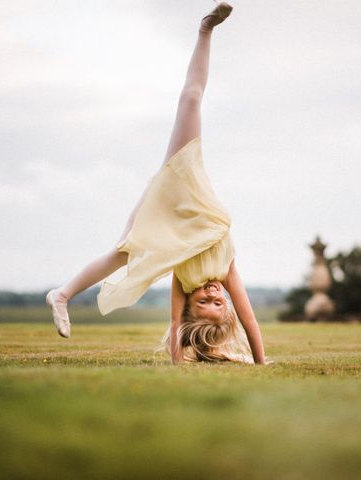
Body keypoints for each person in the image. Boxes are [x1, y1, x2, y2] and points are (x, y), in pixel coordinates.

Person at [46, 2, 268, 365]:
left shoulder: (184, 281)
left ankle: (63, 294)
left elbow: (175, 326)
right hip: (184, 185)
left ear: (190, 305)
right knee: (191, 99)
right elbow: (249, 319)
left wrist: (178, 362)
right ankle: (205, 29)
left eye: (204, 303)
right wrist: (261, 363)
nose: (213, 294)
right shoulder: (227, 270)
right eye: (217, 303)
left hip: (167, 205)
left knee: (124, 252)